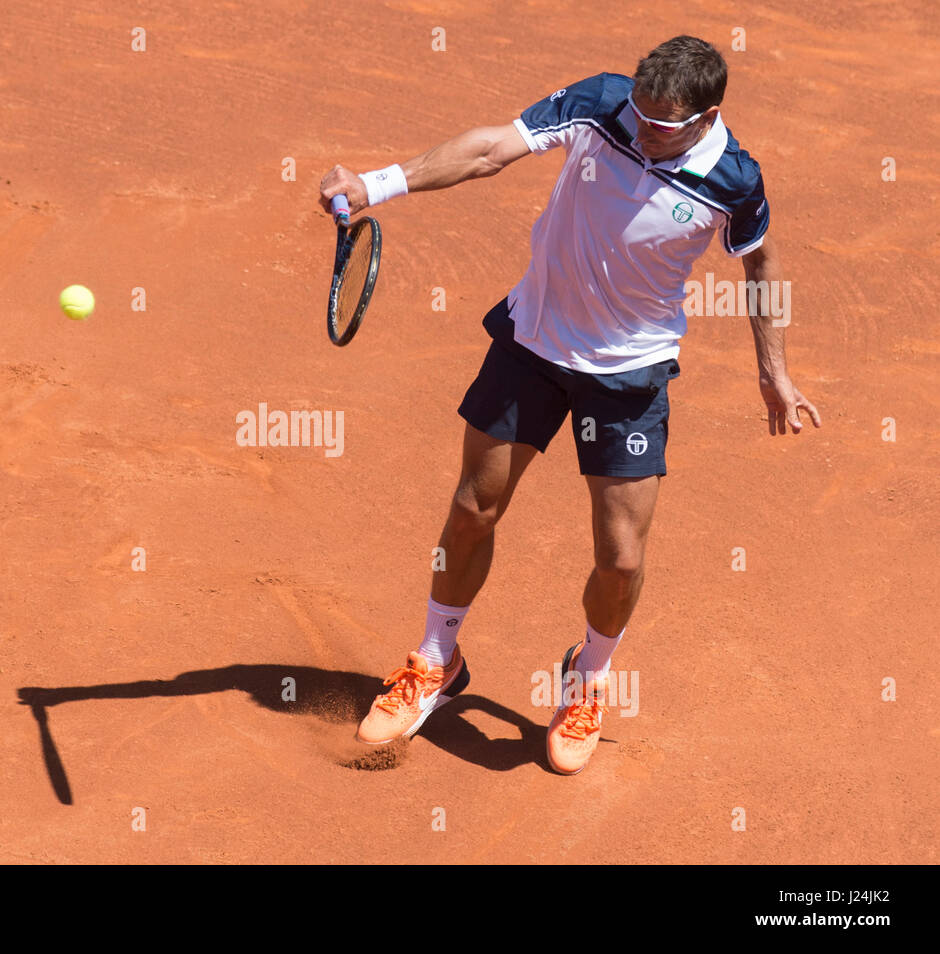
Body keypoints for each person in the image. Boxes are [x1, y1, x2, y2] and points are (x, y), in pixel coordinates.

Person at [317, 35, 820, 775]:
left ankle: (587, 678)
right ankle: (435, 661)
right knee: (472, 509)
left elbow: (763, 262)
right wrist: (377, 183)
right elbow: (492, 148)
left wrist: (774, 370)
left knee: (619, 560)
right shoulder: (600, 105)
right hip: (534, 341)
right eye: (640, 112)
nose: (643, 128)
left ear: (708, 115)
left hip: (629, 376)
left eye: (663, 124)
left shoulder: (734, 180)